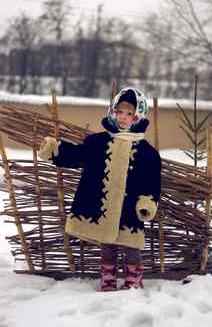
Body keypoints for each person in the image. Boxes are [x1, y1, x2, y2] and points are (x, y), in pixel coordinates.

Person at [38, 87, 161, 291]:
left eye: (129, 113)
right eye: (119, 112)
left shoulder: (147, 153)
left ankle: (133, 280)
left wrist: (147, 201)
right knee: (107, 244)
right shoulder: (98, 143)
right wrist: (56, 149)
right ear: (112, 112)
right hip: (104, 207)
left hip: (130, 208)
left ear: (138, 116)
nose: (123, 117)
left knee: (132, 245)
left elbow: (152, 180)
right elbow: (78, 155)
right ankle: (108, 279)